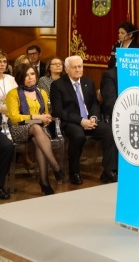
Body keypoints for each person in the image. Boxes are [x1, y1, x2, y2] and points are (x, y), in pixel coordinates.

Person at [50, 55, 118, 185]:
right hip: (71, 122)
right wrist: (81, 120)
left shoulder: (88, 81)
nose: (78, 70)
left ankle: (108, 170)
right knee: (78, 136)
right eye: (74, 67)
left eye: (80, 66)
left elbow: (94, 104)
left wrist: (94, 117)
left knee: (110, 131)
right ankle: (74, 172)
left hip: (89, 120)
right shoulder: (57, 85)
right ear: (66, 69)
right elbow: (58, 111)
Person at [5, 64, 64, 195]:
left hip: (38, 127)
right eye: (26, 75)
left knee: (38, 138)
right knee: (36, 128)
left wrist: (46, 119)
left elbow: (45, 113)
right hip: (18, 127)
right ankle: (55, 166)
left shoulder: (42, 92)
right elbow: (15, 118)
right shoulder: (13, 94)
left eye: (32, 74)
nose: (30, 77)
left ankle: (44, 182)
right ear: (20, 77)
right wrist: (36, 117)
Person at [0, 51, 17, 199]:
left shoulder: (11, 79)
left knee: (8, 145)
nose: (2, 64)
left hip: (11, 117)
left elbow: (18, 98)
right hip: (4, 116)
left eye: (4, 62)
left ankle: (0, 185)